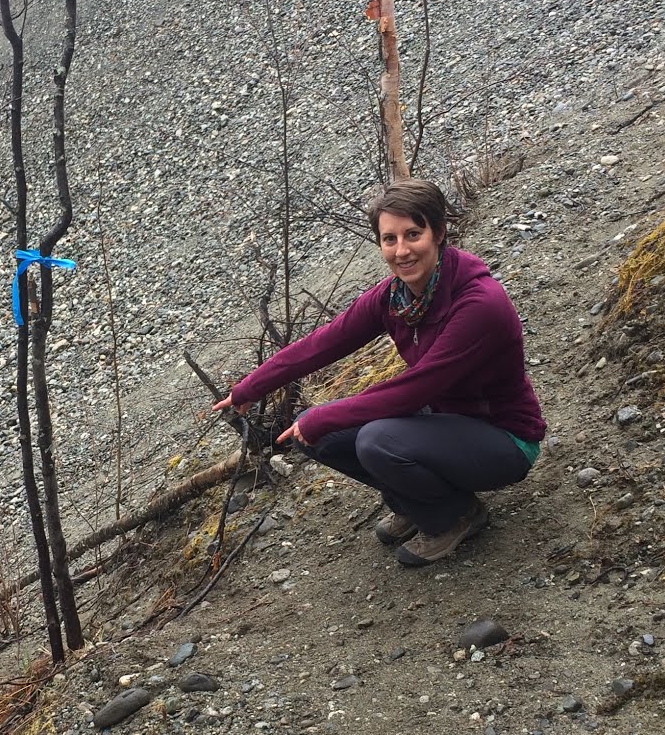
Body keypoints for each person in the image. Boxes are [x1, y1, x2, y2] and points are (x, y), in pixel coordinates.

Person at [213, 181, 545, 566]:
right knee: (317, 432)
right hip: (443, 422)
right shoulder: (396, 297)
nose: (401, 250)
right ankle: (416, 502)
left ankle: (453, 517)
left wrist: (324, 415)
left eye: (413, 235)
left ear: (438, 232)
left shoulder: (478, 303)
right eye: (390, 239)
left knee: (374, 439)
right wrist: (251, 387)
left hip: (504, 438)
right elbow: (324, 342)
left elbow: (415, 390)